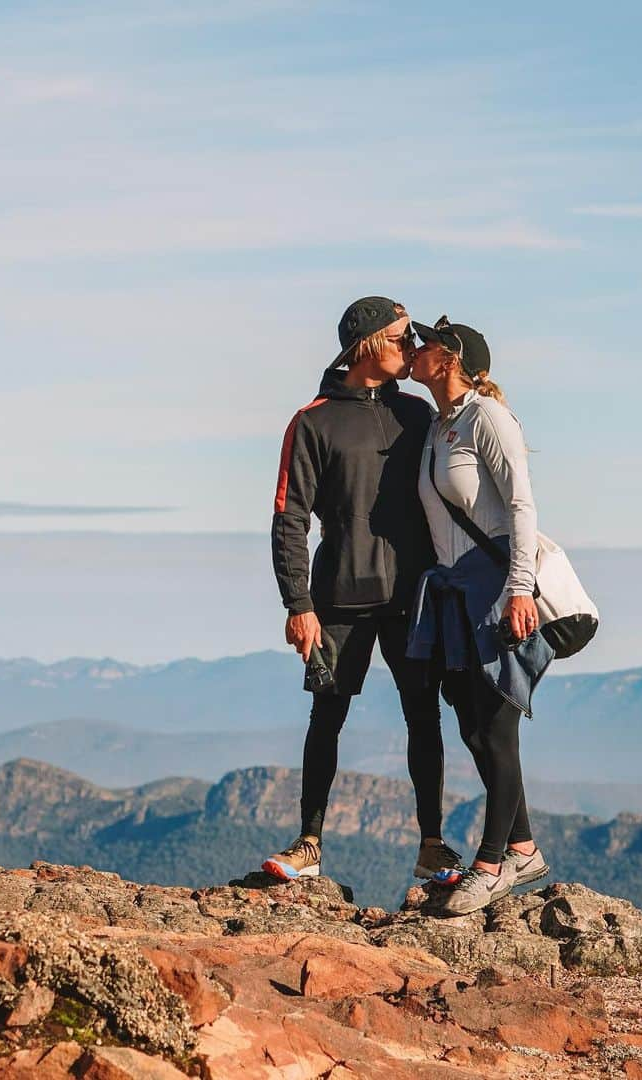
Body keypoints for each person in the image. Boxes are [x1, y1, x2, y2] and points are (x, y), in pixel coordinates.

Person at [263, 297, 465, 885]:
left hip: (415, 596)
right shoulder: (314, 421)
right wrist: (297, 604)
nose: (412, 349)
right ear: (371, 343)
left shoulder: (419, 416)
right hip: (338, 596)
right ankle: (309, 843)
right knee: (327, 717)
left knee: (423, 717)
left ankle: (432, 845)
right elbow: (289, 516)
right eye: (403, 339)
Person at [406, 316, 555, 916]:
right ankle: (523, 846)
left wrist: (520, 590)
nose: (414, 350)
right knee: (471, 724)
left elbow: (521, 504)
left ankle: (493, 866)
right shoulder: (440, 426)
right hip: (453, 590)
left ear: (449, 358)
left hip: (493, 585)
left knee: (496, 727)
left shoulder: (485, 418)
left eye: (425, 343)